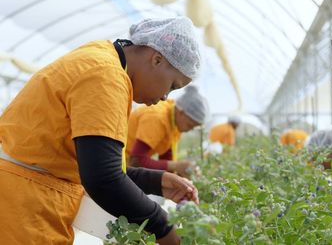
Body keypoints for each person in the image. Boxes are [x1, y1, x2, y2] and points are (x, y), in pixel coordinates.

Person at [0, 17, 201, 244]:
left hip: (24, 198)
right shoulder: (106, 76)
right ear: (157, 59)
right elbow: (103, 177)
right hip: (20, 206)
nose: (166, 97)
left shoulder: (101, 58)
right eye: (173, 85)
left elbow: (99, 164)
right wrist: (162, 227)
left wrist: (158, 181)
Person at [127, 85, 208, 177]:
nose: (190, 130)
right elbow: (136, 161)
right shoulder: (157, 118)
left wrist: (178, 175)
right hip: (120, 164)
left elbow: (166, 158)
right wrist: (176, 166)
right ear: (181, 113)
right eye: (190, 125)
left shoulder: (174, 121)